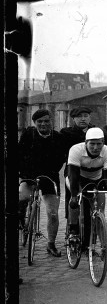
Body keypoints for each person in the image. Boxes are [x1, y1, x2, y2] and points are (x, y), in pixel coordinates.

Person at [18, 109, 67, 257]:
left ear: (51, 121)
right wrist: (24, 173)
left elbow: (61, 158)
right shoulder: (28, 134)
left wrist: (51, 173)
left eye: (46, 121)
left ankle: (50, 244)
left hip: (50, 176)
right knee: (22, 198)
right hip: (29, 174)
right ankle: (21, 220)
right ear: (35, 123)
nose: (43, 124)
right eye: (40, 122)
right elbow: (20, 155)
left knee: (52, 213)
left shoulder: (58, 137)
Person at [66, 128, 107, 270]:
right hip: (76, 178)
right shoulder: (76, 150)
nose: (95, 147)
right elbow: (73, 176)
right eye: (92, 144)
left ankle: (106, 251)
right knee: (75, 202)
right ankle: (73, 230)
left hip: (96, 178)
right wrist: (75, 196)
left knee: (99, 213)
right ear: (86, 142)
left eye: (99, 144)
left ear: (103, 143)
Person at [60, 106, 94, 219]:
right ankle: (72, 227)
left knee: (93, 198)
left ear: (90, 117)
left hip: (92, 169)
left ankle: (95, 222)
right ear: (73, 119)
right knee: (73, 197)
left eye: (85, 116)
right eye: (79, 117)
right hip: (73, 170)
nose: (83, 119)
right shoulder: (66, 133)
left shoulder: (95, 131)